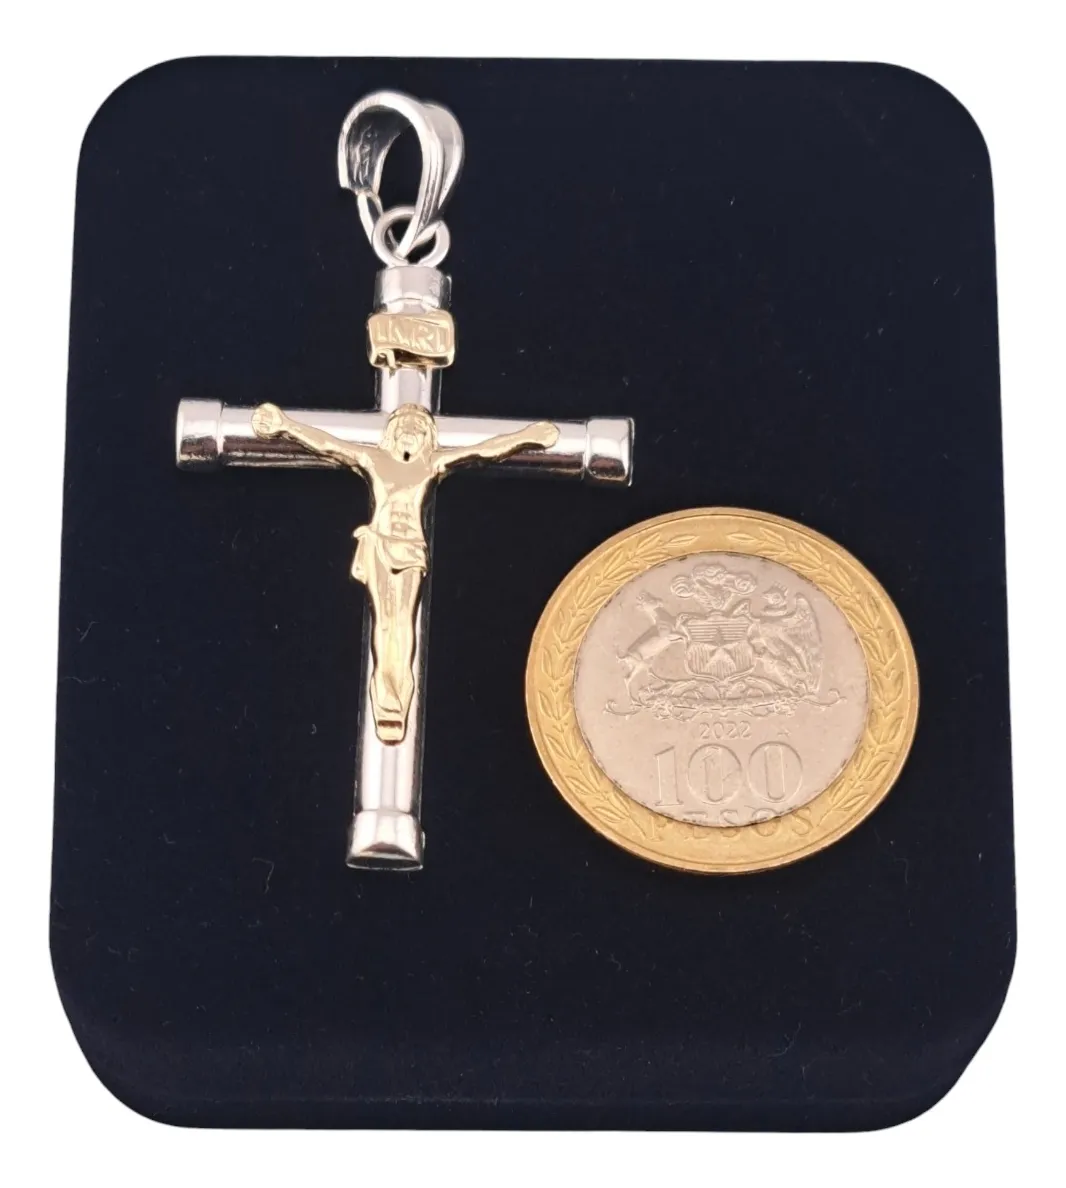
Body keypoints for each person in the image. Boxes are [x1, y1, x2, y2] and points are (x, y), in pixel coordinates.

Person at [252, 401, 558, 742]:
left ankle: (402, 692)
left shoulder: (431, 464)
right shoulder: (374, 459)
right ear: (393, 432)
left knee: (403, 622)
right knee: (384, 622)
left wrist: (525, 436)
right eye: (405, 427)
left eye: (417, 428)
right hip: (380, 546)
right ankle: (384, 695)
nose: (410, 433)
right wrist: (286, 426)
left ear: (426, 435)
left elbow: (483, 451)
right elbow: (328, 444)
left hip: (411, 549)